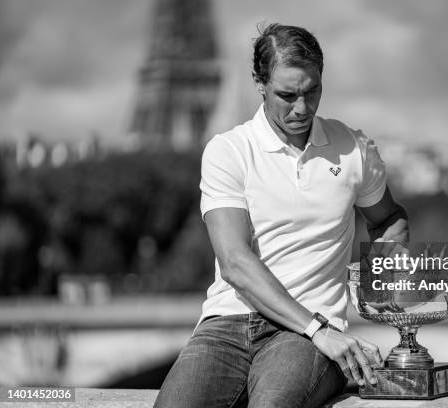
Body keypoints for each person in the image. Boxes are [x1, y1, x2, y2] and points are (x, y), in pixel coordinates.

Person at [154, 23, 409, 408]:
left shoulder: (353, 148)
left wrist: (379, 288)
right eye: (287, 95)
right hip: (228, 324)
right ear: (259, 82)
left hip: (304, 339)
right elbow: (235, 263)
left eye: (312, 92)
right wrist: (318, 329)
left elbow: (388, 218)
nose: (302, 109)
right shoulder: (229, 151)